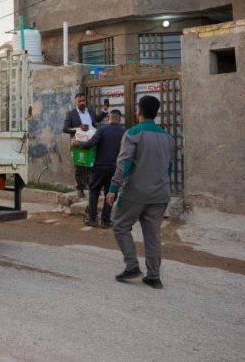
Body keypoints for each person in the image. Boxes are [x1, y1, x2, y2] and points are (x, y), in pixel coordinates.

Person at [107, 95, 174, 290]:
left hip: (135, 192)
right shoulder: (168, 137)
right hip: (160, 194)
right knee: (153, 235)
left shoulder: (133, 133)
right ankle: (154, 276)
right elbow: (169, 167)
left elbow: (124, 163)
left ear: (139, 111)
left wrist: (113, 188)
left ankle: (132, 265)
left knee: (120, 225)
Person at [72, 109, 125, 228]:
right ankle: (106, 221)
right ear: (120, 119)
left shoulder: (102, 130)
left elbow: (90, 143)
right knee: (110, 193)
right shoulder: (124, 133)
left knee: (94, 191)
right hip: (114, 169)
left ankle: (92, 218)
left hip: (99, 167)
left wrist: (78, 143)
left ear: (108, 118)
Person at [63, 93, 109, 197]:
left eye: (83, 101)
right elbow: (65, 129)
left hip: (91, 142)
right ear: (76, 102)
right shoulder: (71, 114)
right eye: (79, 101)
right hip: (78, 143)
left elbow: (97, 119)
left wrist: (105, 110)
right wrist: (78, 128)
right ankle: (80, 189)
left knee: (92, 165)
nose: (82, 103)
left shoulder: (90, 111)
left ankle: (93, 188)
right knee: (80, 166)